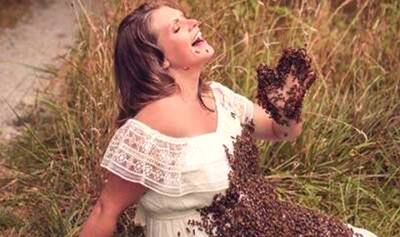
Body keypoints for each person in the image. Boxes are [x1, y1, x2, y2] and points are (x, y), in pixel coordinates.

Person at [79, 1, 377, 236]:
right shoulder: (149, 127)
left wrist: (288, 102)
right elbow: (106, 209)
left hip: (254, 224)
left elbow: (280, 131)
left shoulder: (219, 97)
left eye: (187, 18)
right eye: (178, 28)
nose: (194, 23)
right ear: (159, 59)